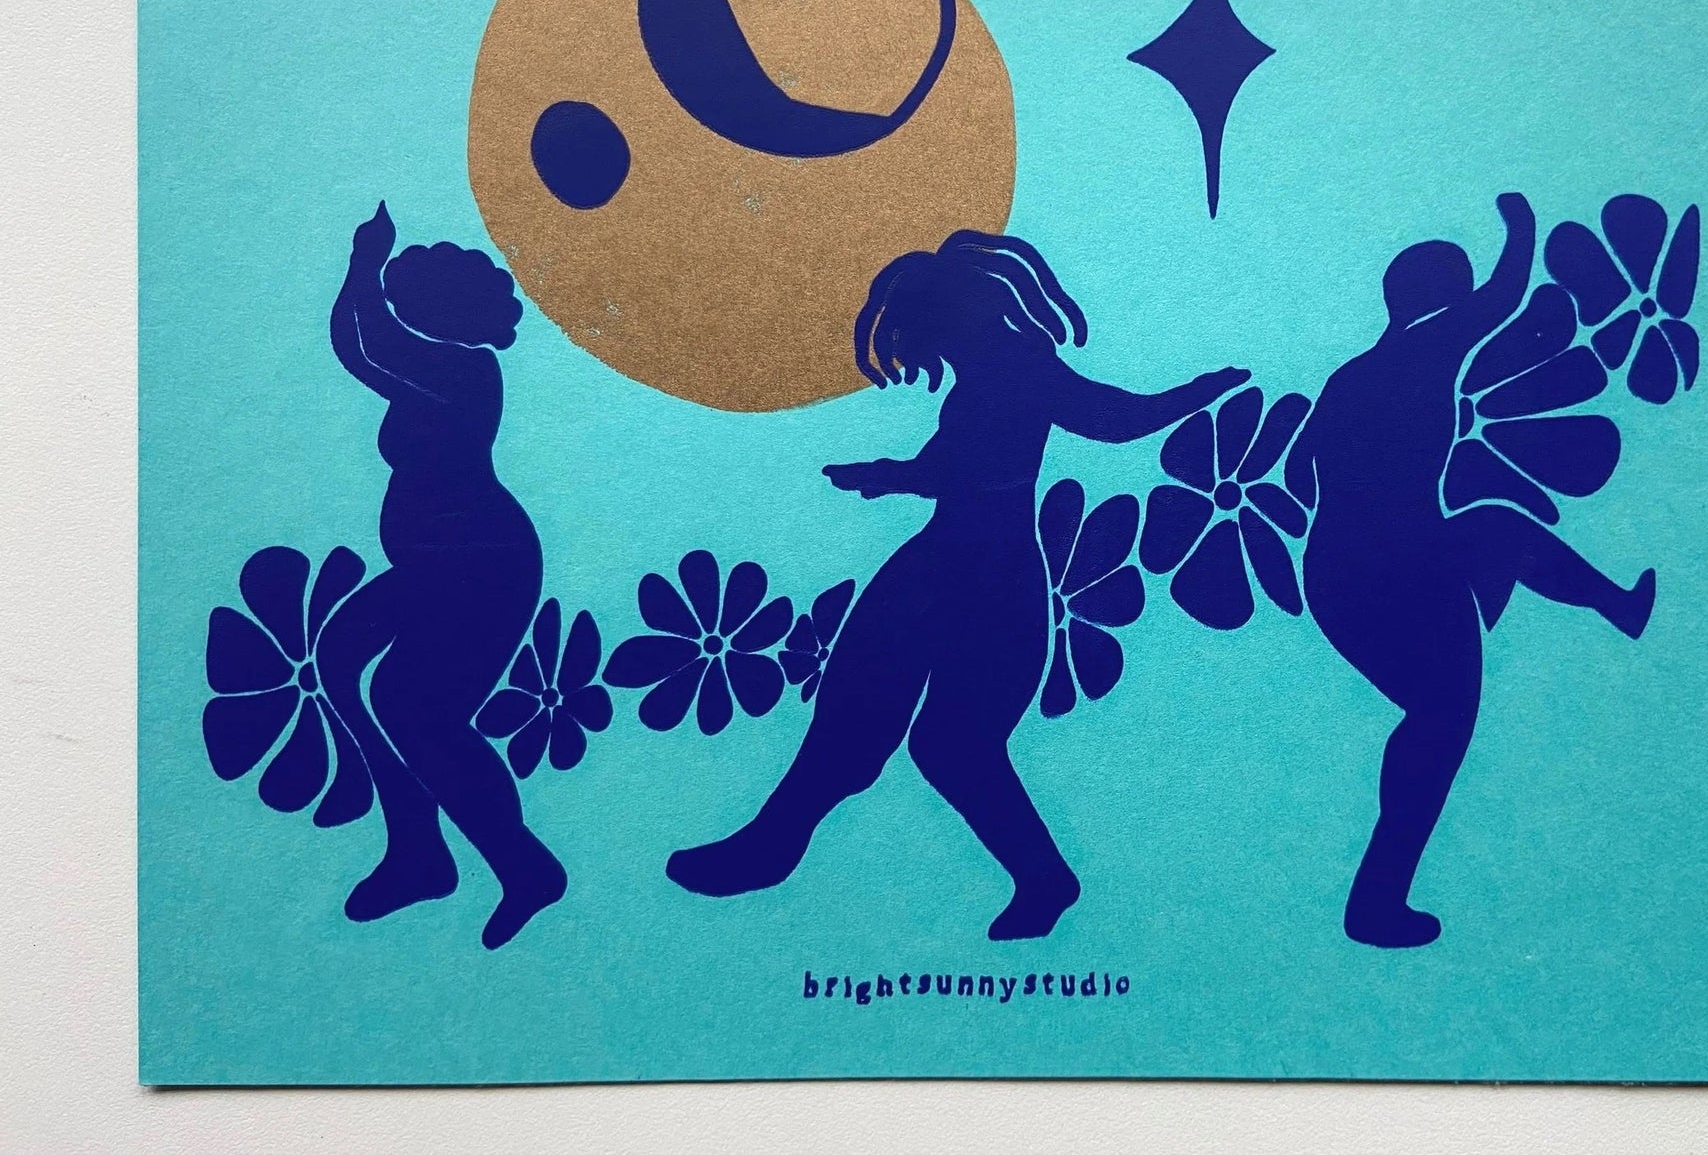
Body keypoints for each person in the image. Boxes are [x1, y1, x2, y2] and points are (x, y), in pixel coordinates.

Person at [666, 231, 1249, 940]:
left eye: (921, 336)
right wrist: (888, 475)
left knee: (950, 741)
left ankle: (1040, 877)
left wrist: (1196, 393)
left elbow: (1109, 419)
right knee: (859, 711)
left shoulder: (1019, 368)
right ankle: (774, 845)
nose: (923, 355)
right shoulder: (983, 377)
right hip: (948, 560)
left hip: (990, 575)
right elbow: (952, 468)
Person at [1289, 191, 1656, 948]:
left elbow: (1299, 474)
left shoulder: (1350, 375)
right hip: (1400, 570)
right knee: (1444, 715)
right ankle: (1375, 903)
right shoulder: (1430, 345)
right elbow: (1505, 294)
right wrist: (1520, 223)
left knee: (1494, 530)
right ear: (1440, 300)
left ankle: (1618, 605)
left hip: (1335, 573)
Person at [316, 202, 564, 950]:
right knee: (341, 658)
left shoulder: (464, 371)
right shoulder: (429, 370)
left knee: (418, 712)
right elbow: (361, 347)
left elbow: (367, 340)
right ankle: (418, 850)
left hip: (481, 566)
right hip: (433, 565)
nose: (403, 307)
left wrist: (365, 261)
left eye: (415, 298)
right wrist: (361, 266)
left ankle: (522, 866)